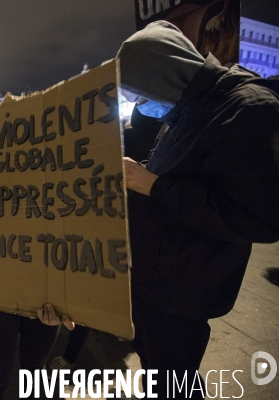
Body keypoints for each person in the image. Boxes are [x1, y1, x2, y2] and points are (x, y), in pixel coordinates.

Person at [117, 21, 279, 398]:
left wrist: (154, 185)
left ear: (164, 75)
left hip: (183, 288)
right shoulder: (191, 106)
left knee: (174, 381)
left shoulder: (247, 110)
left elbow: (260, 217)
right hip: (159, 279)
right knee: (163, 373)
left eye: (141, 96)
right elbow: (187, 169)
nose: (142, 107)